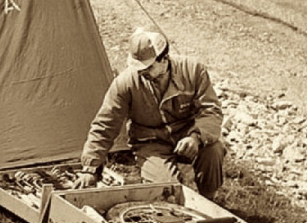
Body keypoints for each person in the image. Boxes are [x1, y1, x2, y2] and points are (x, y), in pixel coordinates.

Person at [73, 28, 225, 199]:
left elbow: (211, 110)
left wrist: (196, 137)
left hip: (188, 136)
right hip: (152, 144)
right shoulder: (125, 83)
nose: (141, 72)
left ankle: (210, 200)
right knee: (164, 191)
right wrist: (90, 169)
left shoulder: (193, 70)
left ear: (164, 59)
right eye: (137, 67)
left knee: (213, 149)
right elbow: (104, 125)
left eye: (148, 67)